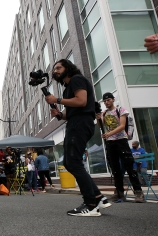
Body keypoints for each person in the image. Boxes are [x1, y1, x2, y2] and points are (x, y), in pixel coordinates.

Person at [45, 59, 111, 216]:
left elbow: (81, 101)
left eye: (59, 68)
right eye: (54, 69)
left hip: (80, 124)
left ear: (68, 68)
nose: (55, 71)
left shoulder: (77, 79)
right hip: (76, 122)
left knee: (73, 162)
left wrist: (57, 100)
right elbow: (74, 111)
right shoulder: (69, 87)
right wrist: (60, 114)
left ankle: (91, 204)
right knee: (69, 162)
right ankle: (98, 197)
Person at [95, 92, 145, 203]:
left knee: (129, 166)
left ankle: (138, 192)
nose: (106, 102)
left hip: (121, 141)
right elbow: (100, 125)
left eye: (108, 100)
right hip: (110, 143)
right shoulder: (104, 113)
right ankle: (119, 192)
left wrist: (109, 134)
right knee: (115, 168)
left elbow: (122, 126)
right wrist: (98, 118)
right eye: (104, 101)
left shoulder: (121, 110)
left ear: (113, 100)